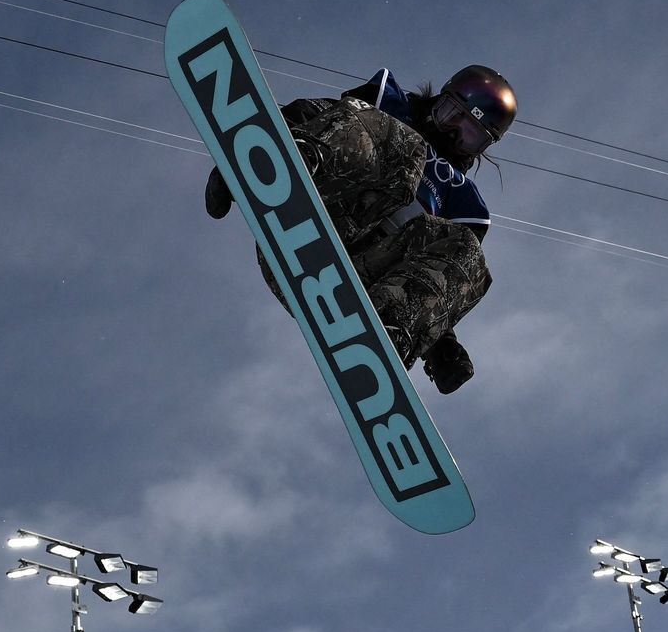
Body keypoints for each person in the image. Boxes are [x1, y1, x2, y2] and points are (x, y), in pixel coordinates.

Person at [203, 64, 517, 394]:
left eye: (469, 135)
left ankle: (390, 329)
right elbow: (317, 113)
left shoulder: (464, 204)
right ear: (440, 98)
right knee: (408, 146)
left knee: (465, 247)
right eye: (452, 115)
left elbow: (435, 269)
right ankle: (292, 163)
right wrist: (246, 159)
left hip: (360, 275)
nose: (453, 133)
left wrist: (442, 346)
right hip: (318, 217)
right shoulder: (392, 104)